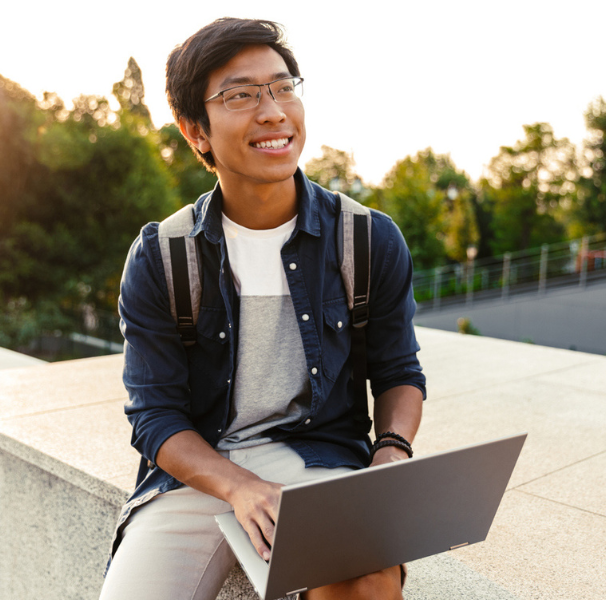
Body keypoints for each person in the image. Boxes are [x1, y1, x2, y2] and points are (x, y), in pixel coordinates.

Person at [100, 17, 425, 600]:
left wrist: (392, 453)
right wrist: (239, 485)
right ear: (195, 129)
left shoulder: (368, 239)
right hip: (199, 476)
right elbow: (155, 417)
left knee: (368, 582)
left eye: (283, 87)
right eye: (240, 95)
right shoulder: (162, 256)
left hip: (320, 461)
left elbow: (399, 372)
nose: (273, 111)